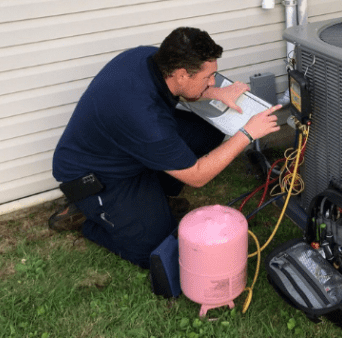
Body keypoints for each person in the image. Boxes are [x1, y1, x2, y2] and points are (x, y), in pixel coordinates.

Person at [50, 27, 281, 268]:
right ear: (182, 74)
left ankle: (153, 198)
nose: (213, 80)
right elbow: (198, 176)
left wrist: (217, 93)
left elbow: (181, 92)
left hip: (128, 145)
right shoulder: (146, 120)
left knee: (207, 133)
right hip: (95, 173)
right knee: (152, 247)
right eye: (208, 77)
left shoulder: (150, 59)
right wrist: (247, 133)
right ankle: (90, 215)